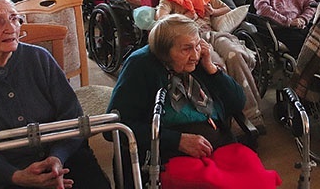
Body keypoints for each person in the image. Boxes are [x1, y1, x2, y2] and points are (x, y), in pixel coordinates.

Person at [107, 15, 280, 189]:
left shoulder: (200, 63)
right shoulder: (140, 65)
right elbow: (116, 127)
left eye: (197, 45)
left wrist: (212, 70)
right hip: (170, 153)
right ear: (164, 51)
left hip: (219, 145)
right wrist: (177, 140)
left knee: (259, 181)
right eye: (186, 49)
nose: (195, 55)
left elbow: (237, 103)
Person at [0, 0, 110, 189]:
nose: (11, 28)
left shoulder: (39, 58)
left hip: (63, 156)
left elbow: (71, 115)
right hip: (4, 170)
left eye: (14, 18)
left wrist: (57, 158)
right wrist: (15, 176)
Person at [157, 0, 264, 128]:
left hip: (211, 33)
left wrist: (213, 11)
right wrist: (183, 17)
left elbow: (226, 8)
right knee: (216, 64)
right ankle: (225, 117)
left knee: (235, 54)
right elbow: (160, 18)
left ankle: (252, 113)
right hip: (193, 39)